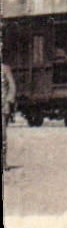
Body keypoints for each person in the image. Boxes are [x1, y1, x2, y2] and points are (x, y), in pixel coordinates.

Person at [2, 36, 15, 172]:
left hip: (2, 106)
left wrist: (8, 101)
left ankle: (3, 162)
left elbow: (12, 87)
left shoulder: (5, 69)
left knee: (3, 137)